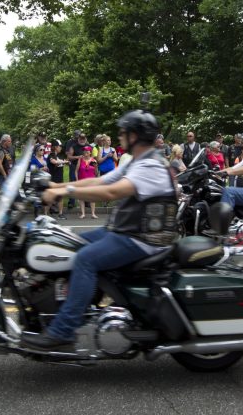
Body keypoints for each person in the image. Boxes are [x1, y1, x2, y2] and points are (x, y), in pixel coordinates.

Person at [22, 109, 178, 350]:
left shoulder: (151, 166)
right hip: (125, 232)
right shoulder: (138, 162)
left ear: (135, 136)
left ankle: (63, 331)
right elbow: (99, 181)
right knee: (70, 244)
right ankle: (70, 307)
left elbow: (111, 192)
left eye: (124, 132)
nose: (120, 136)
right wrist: (55, 185)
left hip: (144, 239)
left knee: (85, 259)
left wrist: (64, 192)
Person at [76, 145, 98, 219]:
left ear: (90, 152)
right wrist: (77, 180)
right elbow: (76, 171)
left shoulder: (93, 160)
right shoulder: (80, 159)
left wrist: (96, 166)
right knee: (81, 197)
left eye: (87, 151)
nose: (85, 152)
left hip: (91, 182)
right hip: (82, 181)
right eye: (84, 151)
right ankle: (83, 214)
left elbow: (96, 173)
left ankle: (93, 214)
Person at [47, 139, 67, 219]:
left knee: (60, 196)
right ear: (55, 147)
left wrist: (64, 162)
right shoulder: (51, 155)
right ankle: (46, 214)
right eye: (59, 146)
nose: (61, 148)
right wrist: (64, 162)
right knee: (50, 197)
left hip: (59, 180)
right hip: (53, 180)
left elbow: (59, 161)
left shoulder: (58, 156)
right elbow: (54, 162)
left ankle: (60, 213)